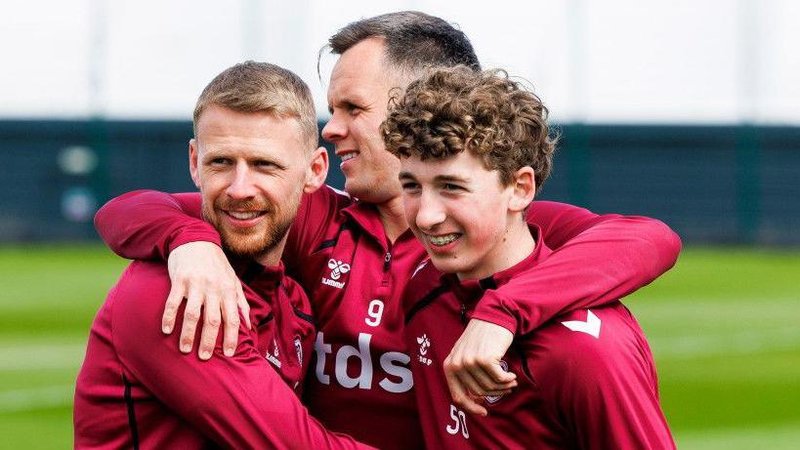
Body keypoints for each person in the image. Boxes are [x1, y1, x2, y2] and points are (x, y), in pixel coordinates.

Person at [93, 11, 681, 450]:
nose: (332, 128)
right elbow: (134, 208)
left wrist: (503, 311)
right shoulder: (313, 215)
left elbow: (649, 239)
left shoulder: (498, 231)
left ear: (420, 103)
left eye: (352, 108)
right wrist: (188, 241)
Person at [74, 61, 374, 449]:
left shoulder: (292, 300)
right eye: (221, 162)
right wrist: (188, 238)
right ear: (194, 162)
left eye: (264, 165)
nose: (240, 188)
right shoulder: (176, 295)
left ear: (314, 171)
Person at [385, 66, 675, 449]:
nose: (425, 216)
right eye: (412, 186)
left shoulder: (585, 351)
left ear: (520, 189)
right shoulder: (426, 286)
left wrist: (500, 311)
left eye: (452, 188)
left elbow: (651, 237)